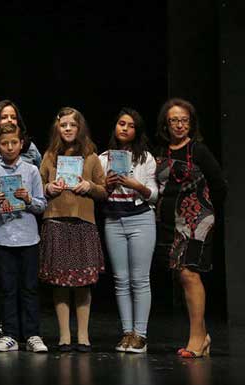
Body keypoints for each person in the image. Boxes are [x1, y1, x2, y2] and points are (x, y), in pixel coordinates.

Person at [154, 98, 227, 358]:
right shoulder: (161, 151)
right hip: (169, 222)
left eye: (184, 120)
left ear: (191, 123)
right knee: (181, 276)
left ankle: (196, 338)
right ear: (166, 124)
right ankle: (203, 336)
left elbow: (219, 185)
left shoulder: (198, 150)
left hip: (196, 220)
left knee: (189, 274)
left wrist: (203, 210)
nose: (179, 125)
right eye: (174, 120)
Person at [38, 107, 107, 353]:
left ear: (80, 128)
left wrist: (89, 186)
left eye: (72, 125)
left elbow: (103, 190)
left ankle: (83, 335)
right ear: (57, 128)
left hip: (82, 224)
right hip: (56, 221)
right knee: (60, 282)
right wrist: (48, 188)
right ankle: (65, 336)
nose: (68, 129)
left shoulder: (91, 157)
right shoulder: (49, 156)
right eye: (63, 125)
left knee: (83, 282)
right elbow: (38, 186)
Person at [0, 100, 42, 339]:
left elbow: (41, 205)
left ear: (21, 144)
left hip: (29, 238)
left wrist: (28, 199)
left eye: (14, 143)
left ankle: (32, 334)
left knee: (30, 288)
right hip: (2, 238)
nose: (10, 147)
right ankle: (9, 334)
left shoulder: (32, 170)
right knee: (7, 288)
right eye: (4, 143)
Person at [98, 108, 158, 353]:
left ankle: (140, 335)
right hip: (114, 220)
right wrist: (106, 185)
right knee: (121, 280)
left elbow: (154, 195)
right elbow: (99, 195)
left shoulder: (146, 158)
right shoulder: (103, 159)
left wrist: (137, 185)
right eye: (121, 123)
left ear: (137, 131)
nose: (124, 128)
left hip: (141, 219)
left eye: (131, 125)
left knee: (140, 279)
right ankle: (127, 333)